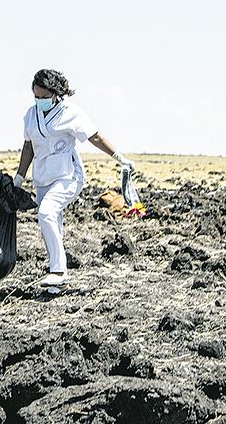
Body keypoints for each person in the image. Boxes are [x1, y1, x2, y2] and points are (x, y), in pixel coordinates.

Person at [13, 69, 135, 287]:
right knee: (52, 222)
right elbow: (28, 145)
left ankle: (59, 271)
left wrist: (119, 157)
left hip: (68, 176)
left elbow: (94, 136)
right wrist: (19, 177)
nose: (39, 101)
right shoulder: (30, 116)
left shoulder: (71, 113)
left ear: (55, 94)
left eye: (43, 97)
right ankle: (55, 282)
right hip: (43, 178)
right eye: (36, 97)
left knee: (46, 213)